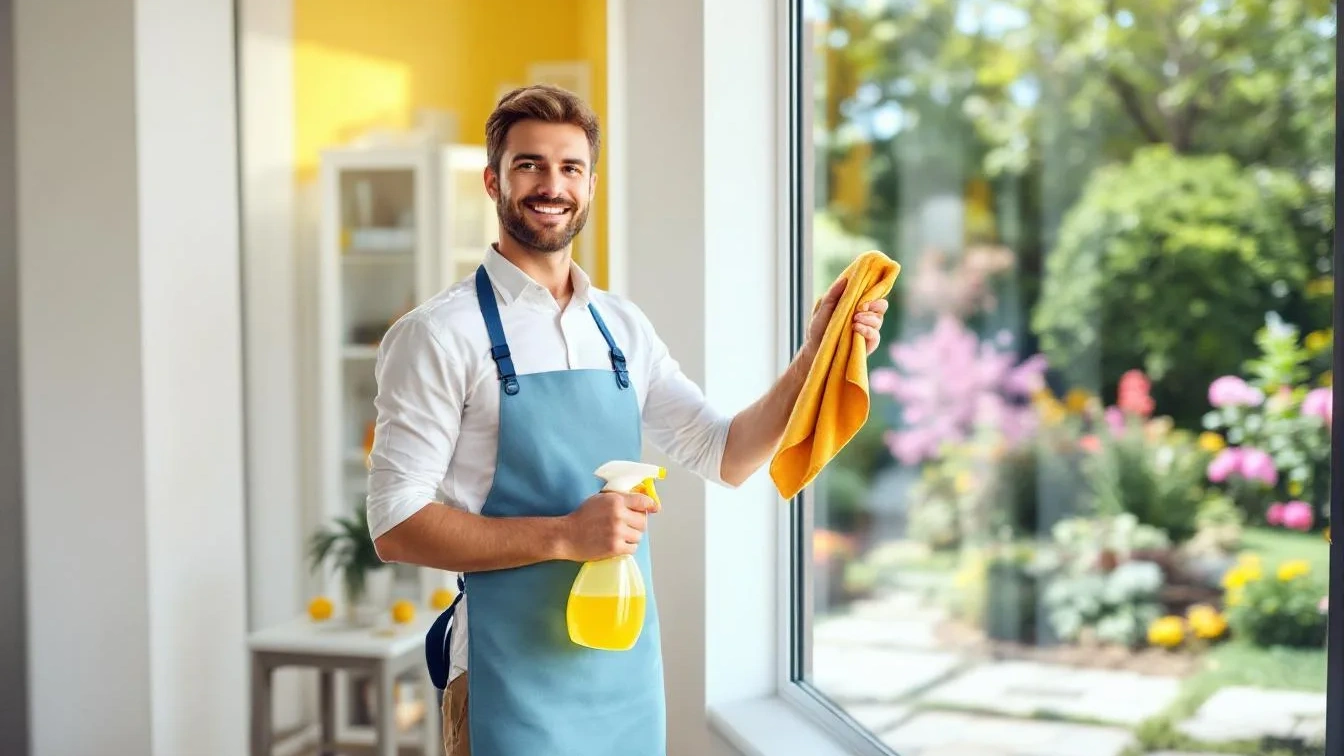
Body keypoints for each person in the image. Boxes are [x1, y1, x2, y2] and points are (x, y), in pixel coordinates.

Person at [365, 83, 887, 756]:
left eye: (570, 167)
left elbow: (725, 453)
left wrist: (813, 357)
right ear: (494, 181)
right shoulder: (437, 334)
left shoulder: (620, 327)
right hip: (506, 673)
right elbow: (396, 525)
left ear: (590, 185)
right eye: (529, 165)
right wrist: (566, 535)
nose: (552, 185)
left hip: (623, 674)